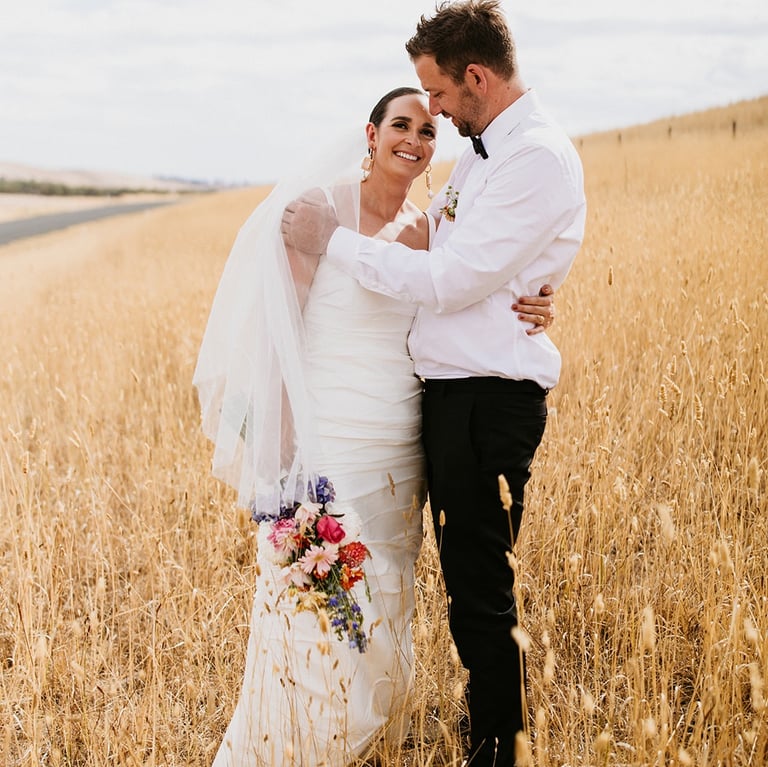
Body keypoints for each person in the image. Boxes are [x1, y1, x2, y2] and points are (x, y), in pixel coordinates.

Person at [196, 86, 555, 767]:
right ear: (371, 134)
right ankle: (295, 743)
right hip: (329, 432)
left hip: (400, 438)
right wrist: (283, 448)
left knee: (383, 593)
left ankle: (357, 739)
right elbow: (278, 333)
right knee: (315, 598)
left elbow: (471, 283)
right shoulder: (319, 211)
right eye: (401, 125)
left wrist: (538, 303)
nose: (414, 140)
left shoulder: (429, 230)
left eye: (427, 130)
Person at [281, 2, 587, 765]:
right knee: (463, 584)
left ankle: (499, 749)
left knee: (480, 589)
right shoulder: (482, 156)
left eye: (440, 95)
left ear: (475, 77)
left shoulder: (535, 156)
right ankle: (484, 733)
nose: (435, 114)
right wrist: (535, 288)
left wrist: (336, 244)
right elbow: (474, 259)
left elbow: (449, 279)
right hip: (447, 397)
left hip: (487, 398)